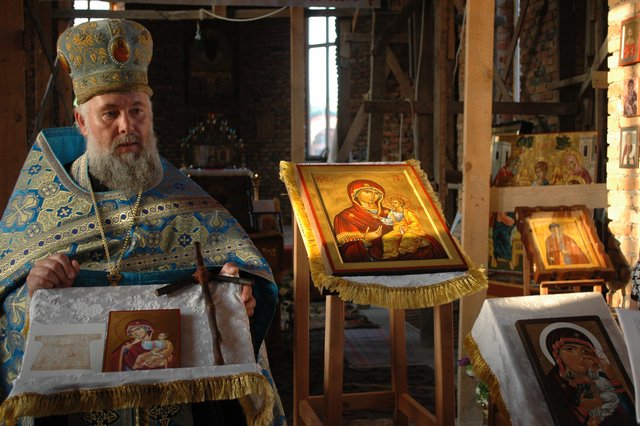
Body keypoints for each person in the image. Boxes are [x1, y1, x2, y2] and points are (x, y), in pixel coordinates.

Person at [0, 19, 282, 424]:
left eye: (137, 111)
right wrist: (34, 294)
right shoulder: (39, 209)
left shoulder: (189, 203)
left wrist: (238, 296)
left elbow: (239, 282)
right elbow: (9, 310)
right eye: (110, 113)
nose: (127, 126)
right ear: (81, 122)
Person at [542, 325, 636, 425]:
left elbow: (632, 416)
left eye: (585, 351)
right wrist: (583, 409)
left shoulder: (599, 380)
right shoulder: (552, 384)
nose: (580, 356)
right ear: (557, 353)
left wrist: (612, 377)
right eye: (570, 349)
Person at [333, 179, 444, 262]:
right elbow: (348, 248)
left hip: (402, 245)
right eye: (367, 191)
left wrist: (404, 227)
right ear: (355, 194)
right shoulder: (345, 216)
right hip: (375, 254)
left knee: (430, 246)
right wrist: (365, 239)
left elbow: (404, 223)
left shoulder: (389, 211)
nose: (372, 195)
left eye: (376, 193)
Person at [381, 196, 446, 259]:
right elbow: (390, 222)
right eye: (392, 203)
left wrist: (408, 227)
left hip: (411, 229)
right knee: (387, 237)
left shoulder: (408, 212)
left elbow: (415, 222)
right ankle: (389, 254)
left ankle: (404, 250)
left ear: (400, 204)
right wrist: (380, 218)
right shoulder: (391, 213)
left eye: (395, 203)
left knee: (408, 236)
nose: (393, 204)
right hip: (399, 229)